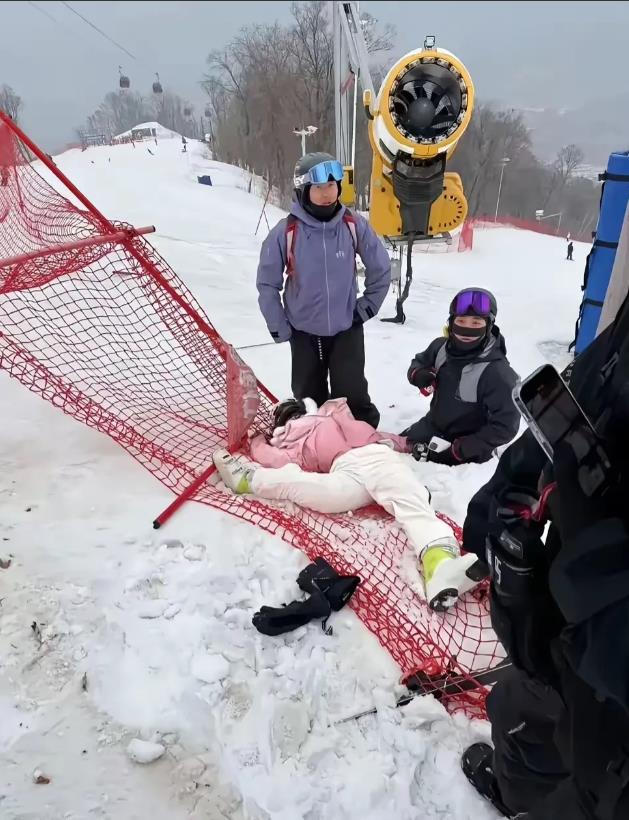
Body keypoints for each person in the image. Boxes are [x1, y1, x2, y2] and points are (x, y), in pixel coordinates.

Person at [460, 289, 629, 818]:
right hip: (574, 603)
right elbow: (588, 393)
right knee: (522, 705)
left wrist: (595, 557)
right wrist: (507, 485)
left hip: (615, 698)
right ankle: (517, 793)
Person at [213, 397, 484, 611]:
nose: (293, 419)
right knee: (297, 482)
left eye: (295, 412)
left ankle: (440, 567)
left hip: (375, 458)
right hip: (342, 473)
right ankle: (247, 480)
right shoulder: (288, 446)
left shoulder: (333, 417)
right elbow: (272, 459)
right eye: (286, 417)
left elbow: (381, 438)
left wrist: (408, 444)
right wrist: (256, 441)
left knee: (412, 503)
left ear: (306, 409)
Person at [256, 152, 391, 429]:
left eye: (332, 185)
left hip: (346, 327)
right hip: (304, 331)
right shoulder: (286, 232)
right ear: (303, 190)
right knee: (309, 398)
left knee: (352, 394)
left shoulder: (353, 225)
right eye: (318, 187)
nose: (327, 193)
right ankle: (312, 439)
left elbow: (381, 268)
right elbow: (267, 283)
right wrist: (279, 325)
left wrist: (367, 306)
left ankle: (362, 437)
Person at [403, 288, 520, 466]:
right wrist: (418, 375)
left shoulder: (497, 372)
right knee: (389, 453)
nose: (467, 329)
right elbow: (418, 362)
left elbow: (506, 426)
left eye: (476, 323)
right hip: (433, 426)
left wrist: (462, 449)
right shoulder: (440, 348)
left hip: (470, 447)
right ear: (451, 322)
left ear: (489, 326)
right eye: (461, 321)